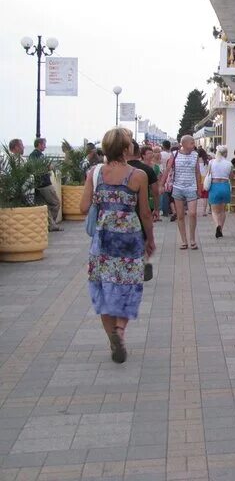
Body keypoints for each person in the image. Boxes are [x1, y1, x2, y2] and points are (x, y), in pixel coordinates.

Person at [80, 127, 155, 364]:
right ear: (125, 149)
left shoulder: (95, 172)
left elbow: (83, 208)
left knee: (103, 288)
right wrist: (149, 239)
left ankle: (111, 336)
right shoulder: (138, 176)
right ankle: (120, 332)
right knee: (129, 286)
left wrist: (100, 199)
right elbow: (144, 213)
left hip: (103, 239)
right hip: (129, 239)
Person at [164, 135, 201, 249]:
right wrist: (161, 184)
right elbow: (168, 169)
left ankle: (192, 239)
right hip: (178, 187)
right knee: (180, 215)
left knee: (193, 213)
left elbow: (197, 172)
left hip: (191, 187)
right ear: (183, 144)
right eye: (191, 143)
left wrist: (199, 188)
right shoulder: (174, 155)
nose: (193, 145)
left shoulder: (195, 155)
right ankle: (184, 240)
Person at [29, 137, 61, 232]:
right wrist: (49, 167)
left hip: (40, 184)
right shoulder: (36, 155)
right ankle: (51, 224)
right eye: (44, 144)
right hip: (45, 184)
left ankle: (50, 223)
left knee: (46, 205)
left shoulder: (34, 155)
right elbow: (43, 167)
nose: (45, 146)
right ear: (39, 144)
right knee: (55, 203)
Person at [127, 141, 159, 226]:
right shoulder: (147, 169)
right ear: (138, 153)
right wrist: (156, 208)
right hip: (142, 208)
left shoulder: (118, 170)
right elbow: (155, 191)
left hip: (123, 211)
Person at [208, 145, 234, 238]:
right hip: (225, 186)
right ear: (225, 153)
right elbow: (231, 177)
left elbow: (209, 174)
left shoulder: (211, 162)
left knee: (214, 211)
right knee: (222, 210)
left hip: (214, 186)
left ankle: (217, 225)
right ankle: (221, 229)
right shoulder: (229, 164)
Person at [159, 140, 174, 220]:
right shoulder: (172, 154)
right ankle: (171, 210)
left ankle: (165, 210)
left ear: (163, 146)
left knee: (164, 193)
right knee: (171, 194)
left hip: (163, 173)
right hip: (171, 175)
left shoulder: (161, 154)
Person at [197, 148, 211, 216]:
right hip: (206, 179)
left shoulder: (196, 160)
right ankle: (205, 211)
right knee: (206, 197)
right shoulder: (207, 161)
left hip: (198, 179)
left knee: (195, 196)